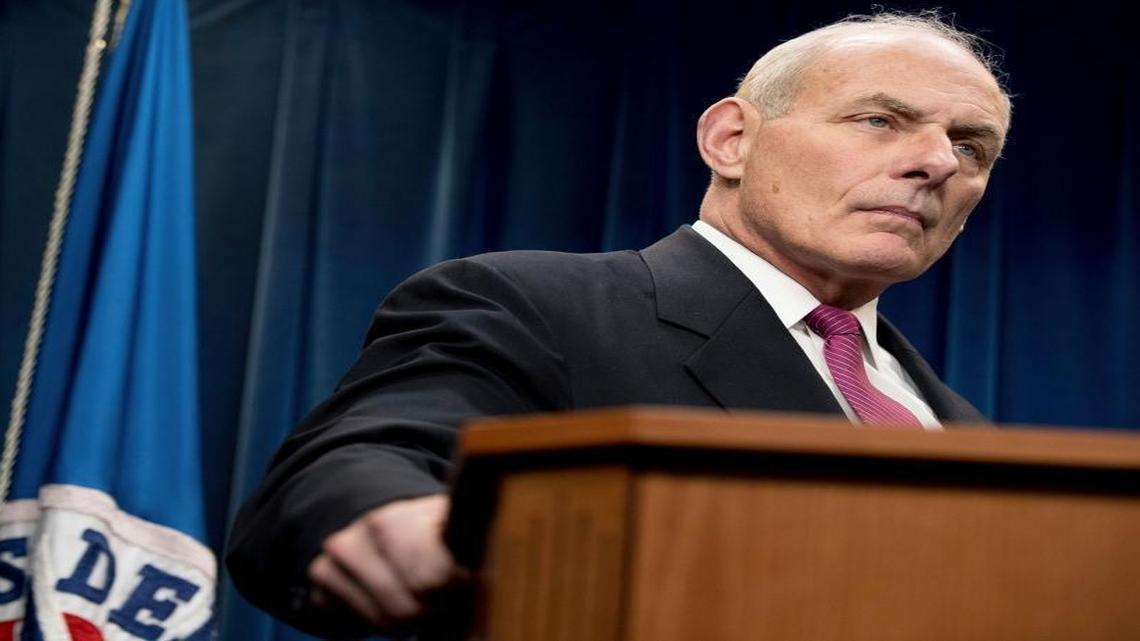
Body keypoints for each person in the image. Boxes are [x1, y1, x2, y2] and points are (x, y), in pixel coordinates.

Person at [226, 10, 1011, 638]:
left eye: (970, 147)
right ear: (732, 140)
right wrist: (388, 516)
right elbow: (365, 453)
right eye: (880, 120)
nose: (937, 162)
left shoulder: (961, 428)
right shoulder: (535, 303)